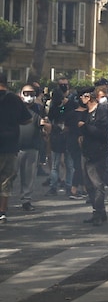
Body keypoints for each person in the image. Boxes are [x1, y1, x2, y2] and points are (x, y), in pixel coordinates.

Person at [0, 76, 34, 223]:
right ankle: (2, 211)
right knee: (6, 180)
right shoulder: (14, 99)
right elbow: (27, 119)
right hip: (10, 145)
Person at [77, 86, 108, 226]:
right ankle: (99, 211)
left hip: (98, 153)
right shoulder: (86, 112)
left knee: (97, 184)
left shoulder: (101, 110)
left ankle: (98, 213)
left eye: (82, 96)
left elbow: (101, 132)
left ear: (88, 97)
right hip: (86, 152)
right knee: (88, 184)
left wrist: (84, 127)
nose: (80, 99)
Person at [16, 83, 48, 212]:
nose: (29, 96)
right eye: (26, 93)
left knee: (29, 176)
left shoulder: (39, 108)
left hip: (32, 146)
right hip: (14, 147)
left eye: (32, 94)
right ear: (20, 94)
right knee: (9, 175)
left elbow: (45, 124)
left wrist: (44, 126)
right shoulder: (15, 107)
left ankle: (26, 200)